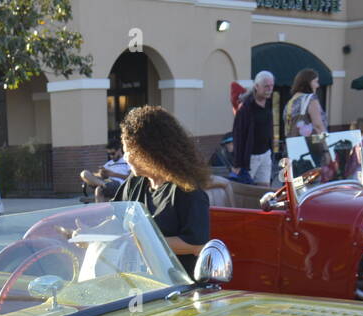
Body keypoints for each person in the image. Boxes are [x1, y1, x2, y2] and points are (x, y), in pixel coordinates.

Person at [109, 105, 210, 274]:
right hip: (139, 279)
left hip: (177, 284)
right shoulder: (135, 182)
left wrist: (142, 240)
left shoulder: (187, 190)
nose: (126, 158)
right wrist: (87, 231)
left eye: (129, 151)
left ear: (150, 152)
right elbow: (115, 217)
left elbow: (196, 244)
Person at [230, 70, 275, 186]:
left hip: (265, 154)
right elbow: (238, 136)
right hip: (250, 157)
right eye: (266, 86)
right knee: (245, 191)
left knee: (264, 191)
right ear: (256, 86)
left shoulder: (268, 103)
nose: (269, 89)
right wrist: (237, 164)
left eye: (271, 86)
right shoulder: (245, 108)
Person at [285, 69, 326, 167]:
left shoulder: (290, 103)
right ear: (308, 82)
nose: (318, 85)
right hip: (312, 150)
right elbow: (318, 126)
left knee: (298, 181)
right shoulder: (311, 99)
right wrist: (327, 149)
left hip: (294, 151)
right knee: (314, 180)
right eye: (315, 81)